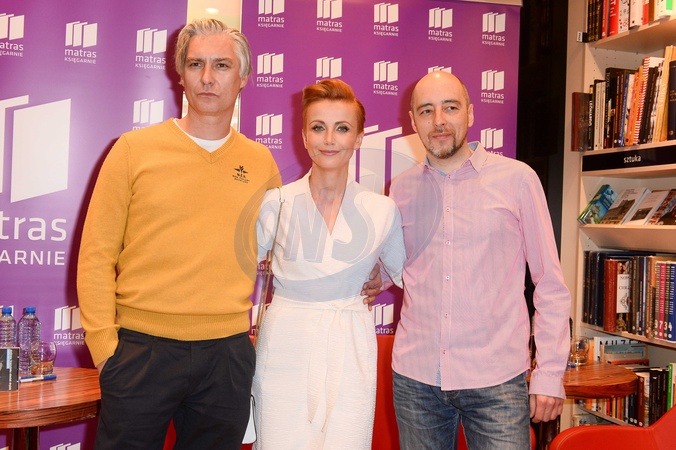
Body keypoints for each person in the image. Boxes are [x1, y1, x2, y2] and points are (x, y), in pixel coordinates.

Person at [77, 19, 381, 449]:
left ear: (243, 77)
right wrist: (106, 351)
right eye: (195, 64)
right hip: (140, 352)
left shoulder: (260, 163)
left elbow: (293, 249)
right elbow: (94, 256)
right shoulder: (132, 150)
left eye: (221, 65)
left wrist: (363, 272)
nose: (207, 77)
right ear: (180, 74)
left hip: (227, 357)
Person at [389, 71, 571, 449]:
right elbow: (392, 266)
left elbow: (550, 285)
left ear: (470, 114)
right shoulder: (400, 189)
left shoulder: (518, 180)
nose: (439, 120)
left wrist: (550, 373)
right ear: (413, 122)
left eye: (450, 107)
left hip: (496, 381)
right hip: (416, 380)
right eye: (426, 110)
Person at [252, 78, 406, 450]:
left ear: (359, 137)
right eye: (319, 128)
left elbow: (403, 272)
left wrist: (376, 279)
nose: (330, 140)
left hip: (350, 343)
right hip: (284, 343)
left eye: (342, 129)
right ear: (304, 136)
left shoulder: (381, 209)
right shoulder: (277, 202)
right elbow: (234, 269)